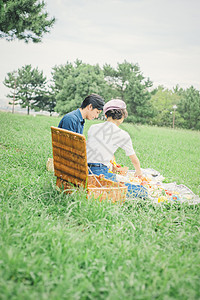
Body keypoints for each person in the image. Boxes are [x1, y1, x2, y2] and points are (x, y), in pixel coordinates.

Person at [86, 99, 147, 198]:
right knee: (142, 191)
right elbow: (134, 159)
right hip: (99, 175)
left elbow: (96, 148)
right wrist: (138, 172)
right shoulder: (122, 134)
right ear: (122, 116)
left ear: (106, 115)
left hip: (85, 170)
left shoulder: (93, 127)